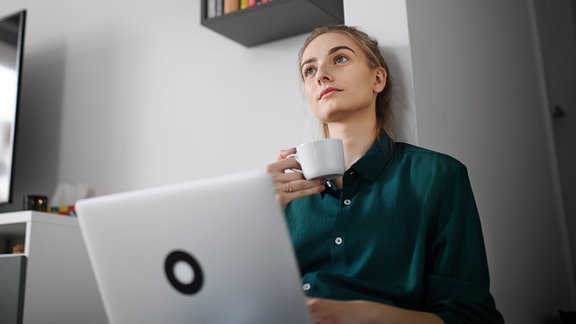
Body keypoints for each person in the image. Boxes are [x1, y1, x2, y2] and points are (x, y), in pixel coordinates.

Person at [266, 25, 504, 324]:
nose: (321, 75)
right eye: (309, 71)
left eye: (339, 59)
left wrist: (371, 314)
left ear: (377, 79)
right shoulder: (283, 192)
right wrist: (260, 214)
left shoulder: (438, 177)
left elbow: (474, 317)